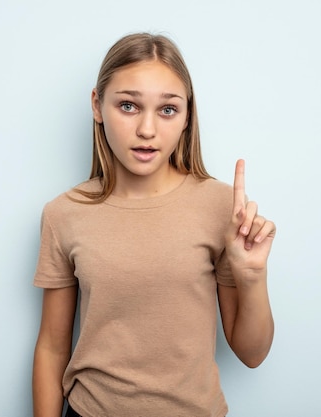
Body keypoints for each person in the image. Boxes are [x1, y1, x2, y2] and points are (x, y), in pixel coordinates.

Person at [32, 32, 276, 417]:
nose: (147, 129)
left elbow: (252, 353)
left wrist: (252, 276)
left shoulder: (220, 207)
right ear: (97, 105)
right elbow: (51, 346)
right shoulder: (64, 213)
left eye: (167, 109)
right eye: (128, 106)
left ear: (186, 116)